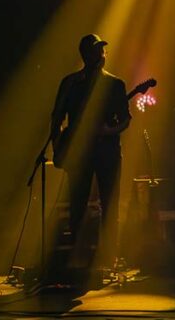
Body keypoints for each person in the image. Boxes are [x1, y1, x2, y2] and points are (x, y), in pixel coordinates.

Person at [50, 34, 132, 270]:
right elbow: (56, 118)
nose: (101, 54)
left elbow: (126, 120)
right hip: (80, 153)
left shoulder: (115, 84)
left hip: (107, 151)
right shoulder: (71, 83)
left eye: (102, 51)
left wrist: (108, 129)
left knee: (110, 204)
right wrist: (58, 149)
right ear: (88, 55)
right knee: (77, 203)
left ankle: (109, 257)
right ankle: (78, 257)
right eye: (97, 51)